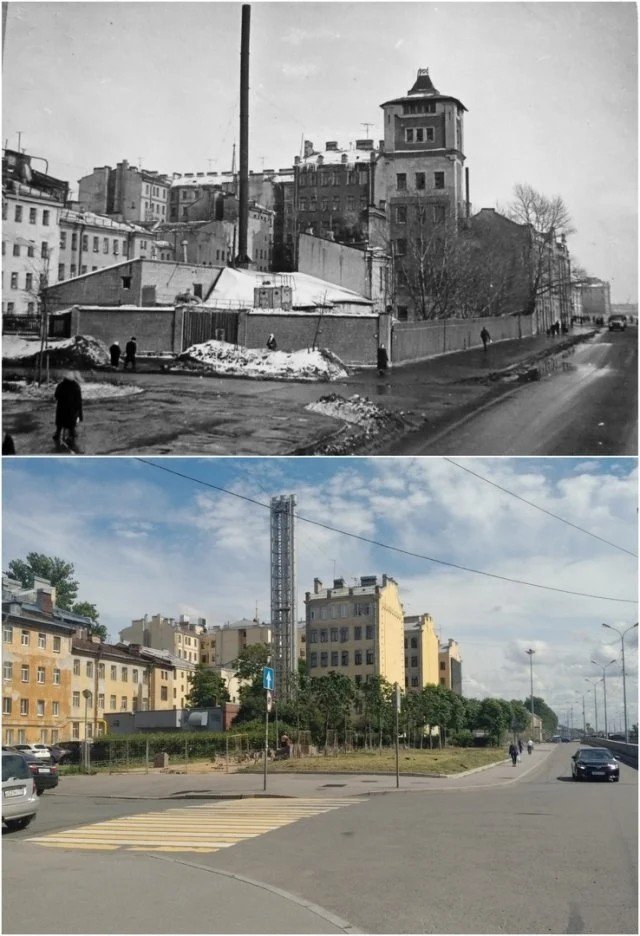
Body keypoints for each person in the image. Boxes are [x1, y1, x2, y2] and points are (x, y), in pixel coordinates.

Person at [53, 375, 83, 448]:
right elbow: (79, 401)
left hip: (61, 410)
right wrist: (80, 414)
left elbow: (56, 395)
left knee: (60, 425)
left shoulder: (61, 385)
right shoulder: (76, 386)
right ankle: (71, 442)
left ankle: (57, 435)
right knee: (71, 427)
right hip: (71, 411)